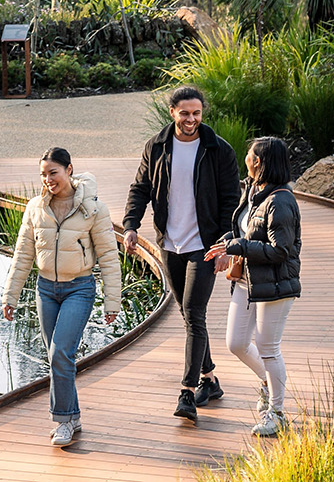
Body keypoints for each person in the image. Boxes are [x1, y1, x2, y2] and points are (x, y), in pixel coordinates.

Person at [121, 85, 240, 424]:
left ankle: (187, 392)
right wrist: (131, 225)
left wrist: (224, 244)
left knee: (194, 312)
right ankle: (210, 380)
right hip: (169, 243)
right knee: (190, 317)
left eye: (196, 114)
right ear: (172, 112)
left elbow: (232, 201)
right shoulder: (156, 146)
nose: (191, 119)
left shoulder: (218, 150)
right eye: (185, 113)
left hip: (205, 245)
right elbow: (140, 188)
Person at [2, 146, 122, 448]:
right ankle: (73, 414)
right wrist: (10, 296)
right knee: (58, 358)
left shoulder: (93, 209)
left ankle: (64, 421)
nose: (47, 180)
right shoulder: (35, 208)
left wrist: (112, 300)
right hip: (45, 290)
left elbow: (109, 256)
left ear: (69, 170)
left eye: (53, 172)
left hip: (78, 289)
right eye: (43, 174)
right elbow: (23, 256)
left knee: (60, 353)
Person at [204, 136, 301, 437]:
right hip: (248, 282)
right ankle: (267, 381)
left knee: (268, 348)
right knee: (236, 343)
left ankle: (277, 412)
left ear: (258, 161)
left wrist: (237, 246)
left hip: (275, 284)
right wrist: (227, 247)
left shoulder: (281, 201)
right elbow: (245, 231)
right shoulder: (255, 192)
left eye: (248, 154)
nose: (245, 157)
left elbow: (280, 251)